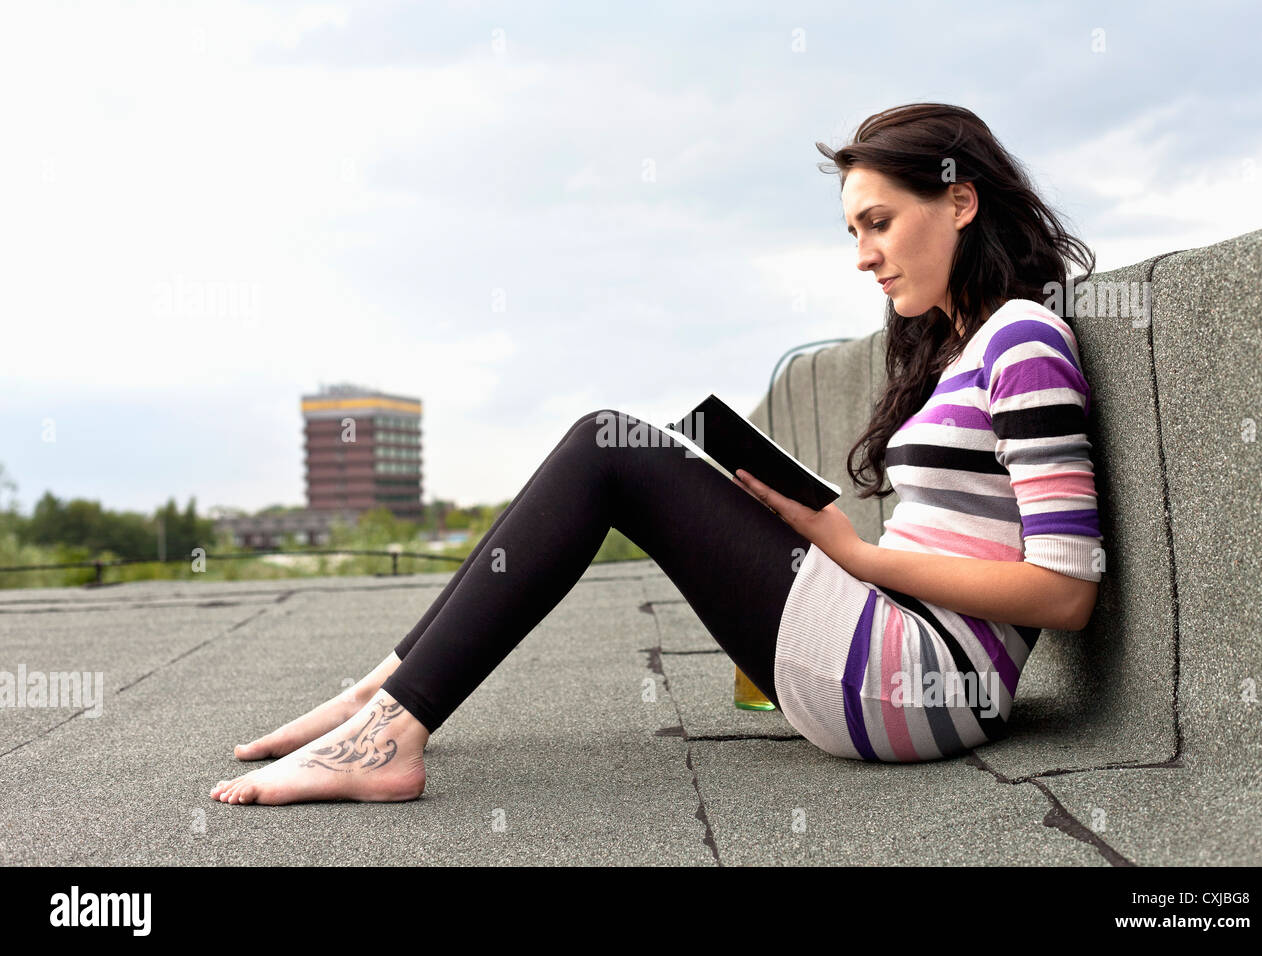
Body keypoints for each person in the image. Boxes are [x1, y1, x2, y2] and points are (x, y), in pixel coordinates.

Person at [210, 102, 1103, 805]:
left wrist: (854, 553)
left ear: (959, 199)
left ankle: (387, 735)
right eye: (851, 233)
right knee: (616, 450)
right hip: (896, 661)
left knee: (611, 447)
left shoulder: (1024, 341)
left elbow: (1065, 591)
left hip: (922, 683)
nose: (864, 256)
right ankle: (382, 696)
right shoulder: (959, 347)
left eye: (879, 222)